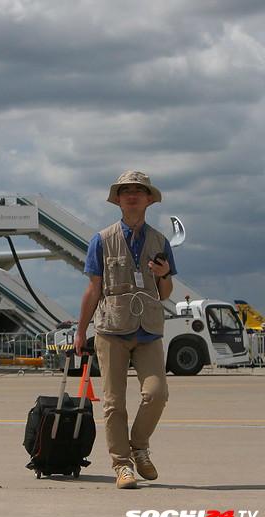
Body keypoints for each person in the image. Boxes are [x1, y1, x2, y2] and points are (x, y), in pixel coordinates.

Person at [74, 170, 176, 490]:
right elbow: (93, 289)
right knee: (114, 402)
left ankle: (139, 445)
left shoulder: (160, 241)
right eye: (125, 190)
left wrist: (163, 274)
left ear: (148, 200)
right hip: (111, 328)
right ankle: (122, 465)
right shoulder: (101, 240)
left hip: (148, 329)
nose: (132, 195)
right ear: (118, 200)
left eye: (138, 190)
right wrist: (80, 331)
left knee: (156, 394)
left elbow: (165, 293)